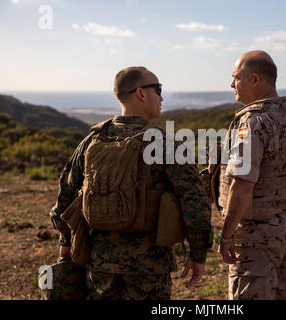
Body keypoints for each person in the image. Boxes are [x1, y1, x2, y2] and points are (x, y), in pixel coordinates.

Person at [49, 66, 213, 300]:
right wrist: (198, 253)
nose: (161, 97)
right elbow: (194, 202)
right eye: (158, 89)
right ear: (141, 93)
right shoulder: (165, 144)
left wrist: (66, 240)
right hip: (149, 266)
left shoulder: (92, 140)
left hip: (99, 262)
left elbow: (65, 194)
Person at [215, 50, 286, 300]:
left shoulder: (252, 122)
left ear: (254, 79)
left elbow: (242, 184)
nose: (231, 84)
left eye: (236, 77)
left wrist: (225, 235)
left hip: (258, 237)